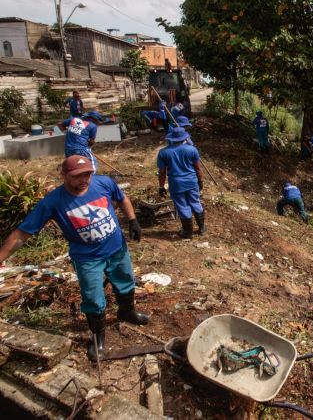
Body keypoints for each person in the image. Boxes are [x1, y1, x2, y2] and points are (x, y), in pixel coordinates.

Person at [0, 155, 148, 361]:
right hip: (87, 258)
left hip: (116, 248)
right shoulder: (53, 202)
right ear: (64, 175)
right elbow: (21, 234)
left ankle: (127, 312)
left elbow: (122, 198)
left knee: (126, 282)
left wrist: (132, 220)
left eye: (87, 174)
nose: (84, 179)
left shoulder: (104, 183)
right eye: (78, 176)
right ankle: (98, 337)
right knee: (93, 298)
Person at [157, 126, 205, 239]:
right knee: (195, 202)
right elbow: (198, 168)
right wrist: (200, 180)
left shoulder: (163, 153)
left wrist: (161, 186)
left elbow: (162, 172)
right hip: (192, 182)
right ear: (185, 138)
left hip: (176, 183)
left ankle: (187, 232)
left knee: (182, 206)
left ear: (171, 139)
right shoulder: (192, 149)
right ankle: (202, 228)